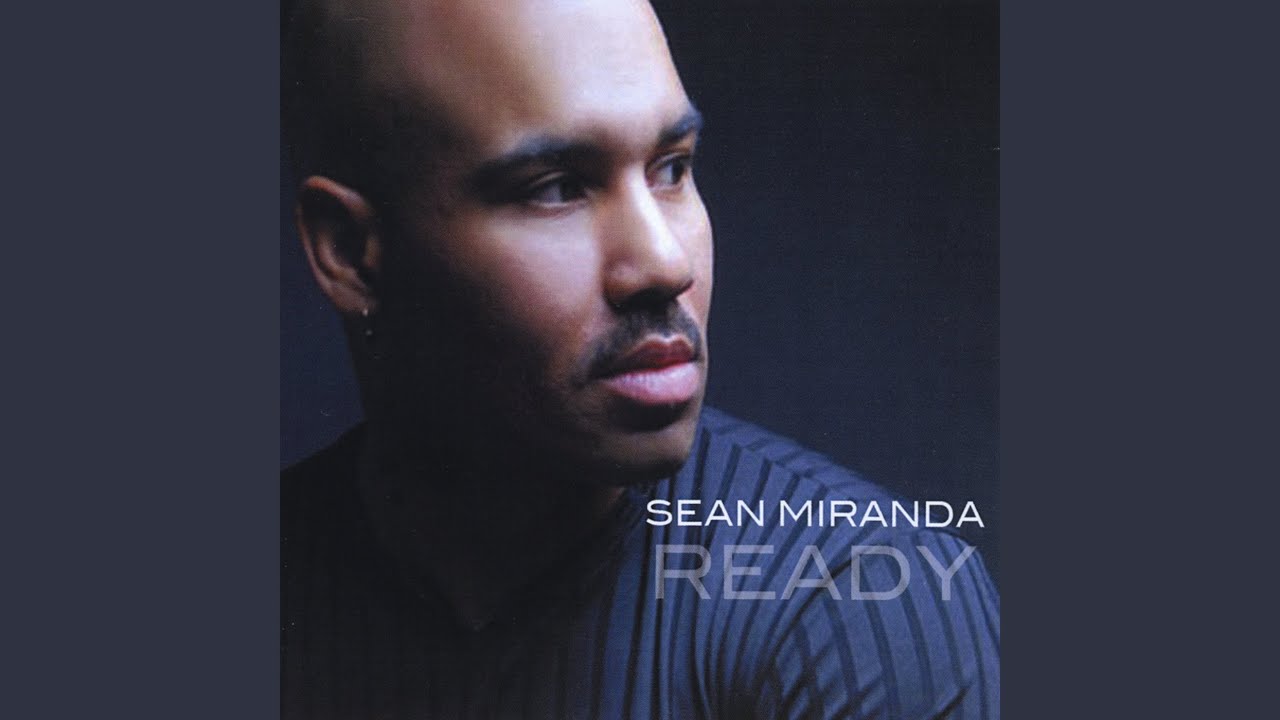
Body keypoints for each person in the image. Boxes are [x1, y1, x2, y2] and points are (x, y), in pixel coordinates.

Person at [280, 0, 1000, 717]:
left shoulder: (861, 605)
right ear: (349, 251)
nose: (665, 263)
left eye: (672, 168)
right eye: (555, 189)